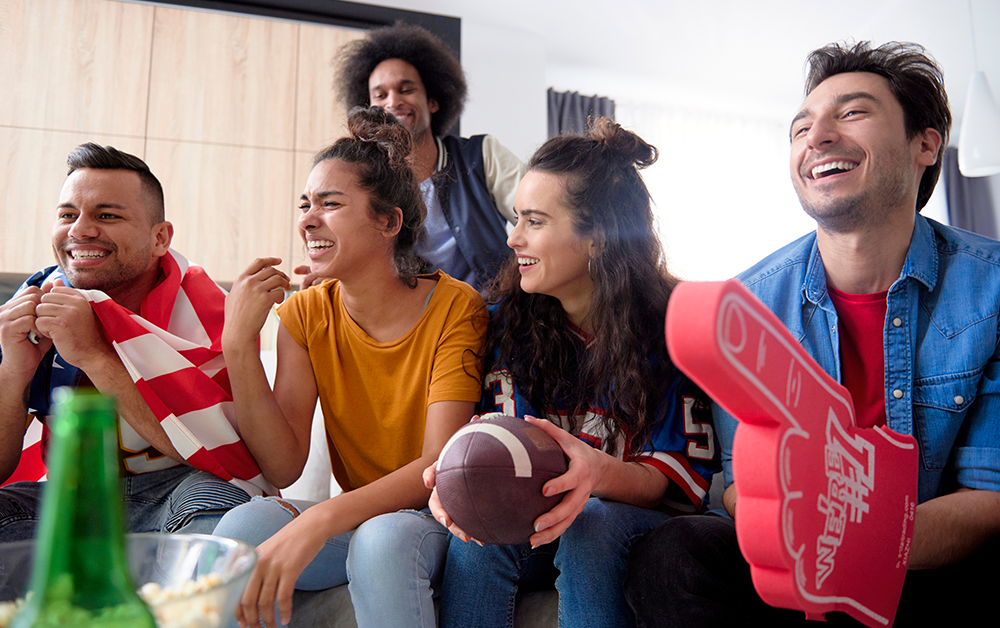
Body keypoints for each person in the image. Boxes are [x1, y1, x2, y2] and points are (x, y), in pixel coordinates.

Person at [624, 41, 1000, 627]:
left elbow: (990, 495)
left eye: (852, 113)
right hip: (801, 567)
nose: (816, 137)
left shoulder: (993, 287)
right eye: (800, 128)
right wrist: (808, 547)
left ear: (926, 145)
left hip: (933, 567)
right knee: (676, 555)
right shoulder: (746, 305)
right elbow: (736, 482)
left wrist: (859, 552)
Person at [423, 119, 719, 628]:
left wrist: (595, 473)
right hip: (543, 519)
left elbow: (674, 488)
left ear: (597, 238)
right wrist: (459, 486)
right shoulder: (498, 325)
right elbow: (495, 457)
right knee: (478, 536)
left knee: (594, 522)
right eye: (516, 218)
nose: (513, 237)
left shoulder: (677, 324)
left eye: (534, 221)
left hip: (630, 524)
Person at [212, 106, 486, 628]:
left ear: (388, 221)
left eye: (330, 204)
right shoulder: (304, 315)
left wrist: (321, 518)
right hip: (355, 522)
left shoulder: (457, 307)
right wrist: (238, 343)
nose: (307, 219)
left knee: (382, 541)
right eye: (305, 204)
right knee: (240, 528)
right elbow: (284, 466)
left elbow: (436, 464)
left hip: (432, 520)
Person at [0, 143, 269, 541]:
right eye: (67, 215)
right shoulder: (33, 305)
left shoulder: (212, 316)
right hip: (67, 497)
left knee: (227, 513)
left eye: (107, 215)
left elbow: (225, 462)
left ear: (160, 238)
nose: (80, 230)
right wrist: (13, 372)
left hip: (177, 490)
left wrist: (95, 356)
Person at [297, 22, 524, 292]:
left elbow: (537, 216)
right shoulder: (364, 180)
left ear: (433, 101)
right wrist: (334, 274)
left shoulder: (482, 154)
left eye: (406, 90)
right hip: (415, 327)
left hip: (499, 320)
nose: (392, 102)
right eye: (379, 95)